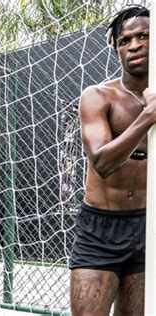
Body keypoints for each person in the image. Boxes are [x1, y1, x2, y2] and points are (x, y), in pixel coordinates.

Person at [69, 5, 152, 315]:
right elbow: (102, 163)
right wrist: (148, 117)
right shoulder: (98, 96)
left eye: (143, 36)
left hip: (148, 225)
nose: (133, 45)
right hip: (100, 229)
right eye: (124, 40)